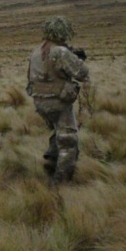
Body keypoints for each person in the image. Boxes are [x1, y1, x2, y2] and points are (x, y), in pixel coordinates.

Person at [26, 16, 90, 183]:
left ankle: (51, 160)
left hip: (40, 103)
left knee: (58, 132)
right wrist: (77, 58)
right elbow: (82, 73)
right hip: (58, 103)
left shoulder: (35, 52)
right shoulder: (60, 52)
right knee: (69, 142)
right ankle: (61, 182)